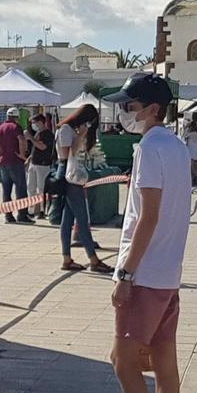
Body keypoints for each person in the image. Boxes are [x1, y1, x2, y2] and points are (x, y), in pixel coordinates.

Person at [106, 74, 192, 393]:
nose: (126, 112)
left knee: (123, 362)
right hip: (168, 273)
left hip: (145, 274)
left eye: (131, 105)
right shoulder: (176, 147)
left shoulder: (149, 148)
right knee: (164, 364)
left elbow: (147, 215)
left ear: (152, 108)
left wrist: (126, 272)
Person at [56, 103, 114, 273]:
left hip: (70, 173)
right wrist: (81, 136)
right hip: (69, 174)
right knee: (82, 217)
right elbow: (67, 154)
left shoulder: (68, 129)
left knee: (67, 219)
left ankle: (67, 258)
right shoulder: (66, 129)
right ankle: (93, 259)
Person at [0, 108, 33, 224]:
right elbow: (21, 139)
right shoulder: (16, 127)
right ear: (17, 117)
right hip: (15, 161)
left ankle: (8, 215)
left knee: (6, 190)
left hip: (3, 163)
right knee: (20, 189)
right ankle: (22, 214)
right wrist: (22, 154)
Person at [28, 112, 57, 217]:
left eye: (34, 123)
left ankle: (42, 210)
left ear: (40, 122)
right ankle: (31, 210)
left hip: (43, 164)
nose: (33, 125)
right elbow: (35, 148)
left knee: (41, 188)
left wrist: (30, 138)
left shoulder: (48, 134)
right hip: (34, 163)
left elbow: (42, 147)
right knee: (31, 187)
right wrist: (29, 159)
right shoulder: (38, 133)